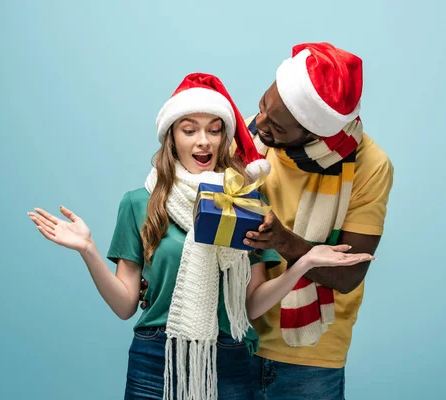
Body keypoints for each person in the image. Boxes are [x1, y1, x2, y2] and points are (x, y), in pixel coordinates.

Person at [27, 72, 375, 400]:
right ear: (171, 137)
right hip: (154, 358)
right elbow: (125, 304)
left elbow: (250, 305)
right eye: (189, 130)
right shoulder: (139, 203)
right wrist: (88, 249)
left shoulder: (246, 202)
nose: (203, 141)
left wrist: (304, 263)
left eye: (214, 130)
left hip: (229, 359)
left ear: (226, 138)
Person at [242, 42, 395, 399]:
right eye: (263, 105)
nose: (258, 123)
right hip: (232, 338)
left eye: (277, 126)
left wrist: (282, 240)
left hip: (310, 359)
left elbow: (348, 274)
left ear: (313, 134)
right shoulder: (247, 134)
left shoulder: (370, 166)